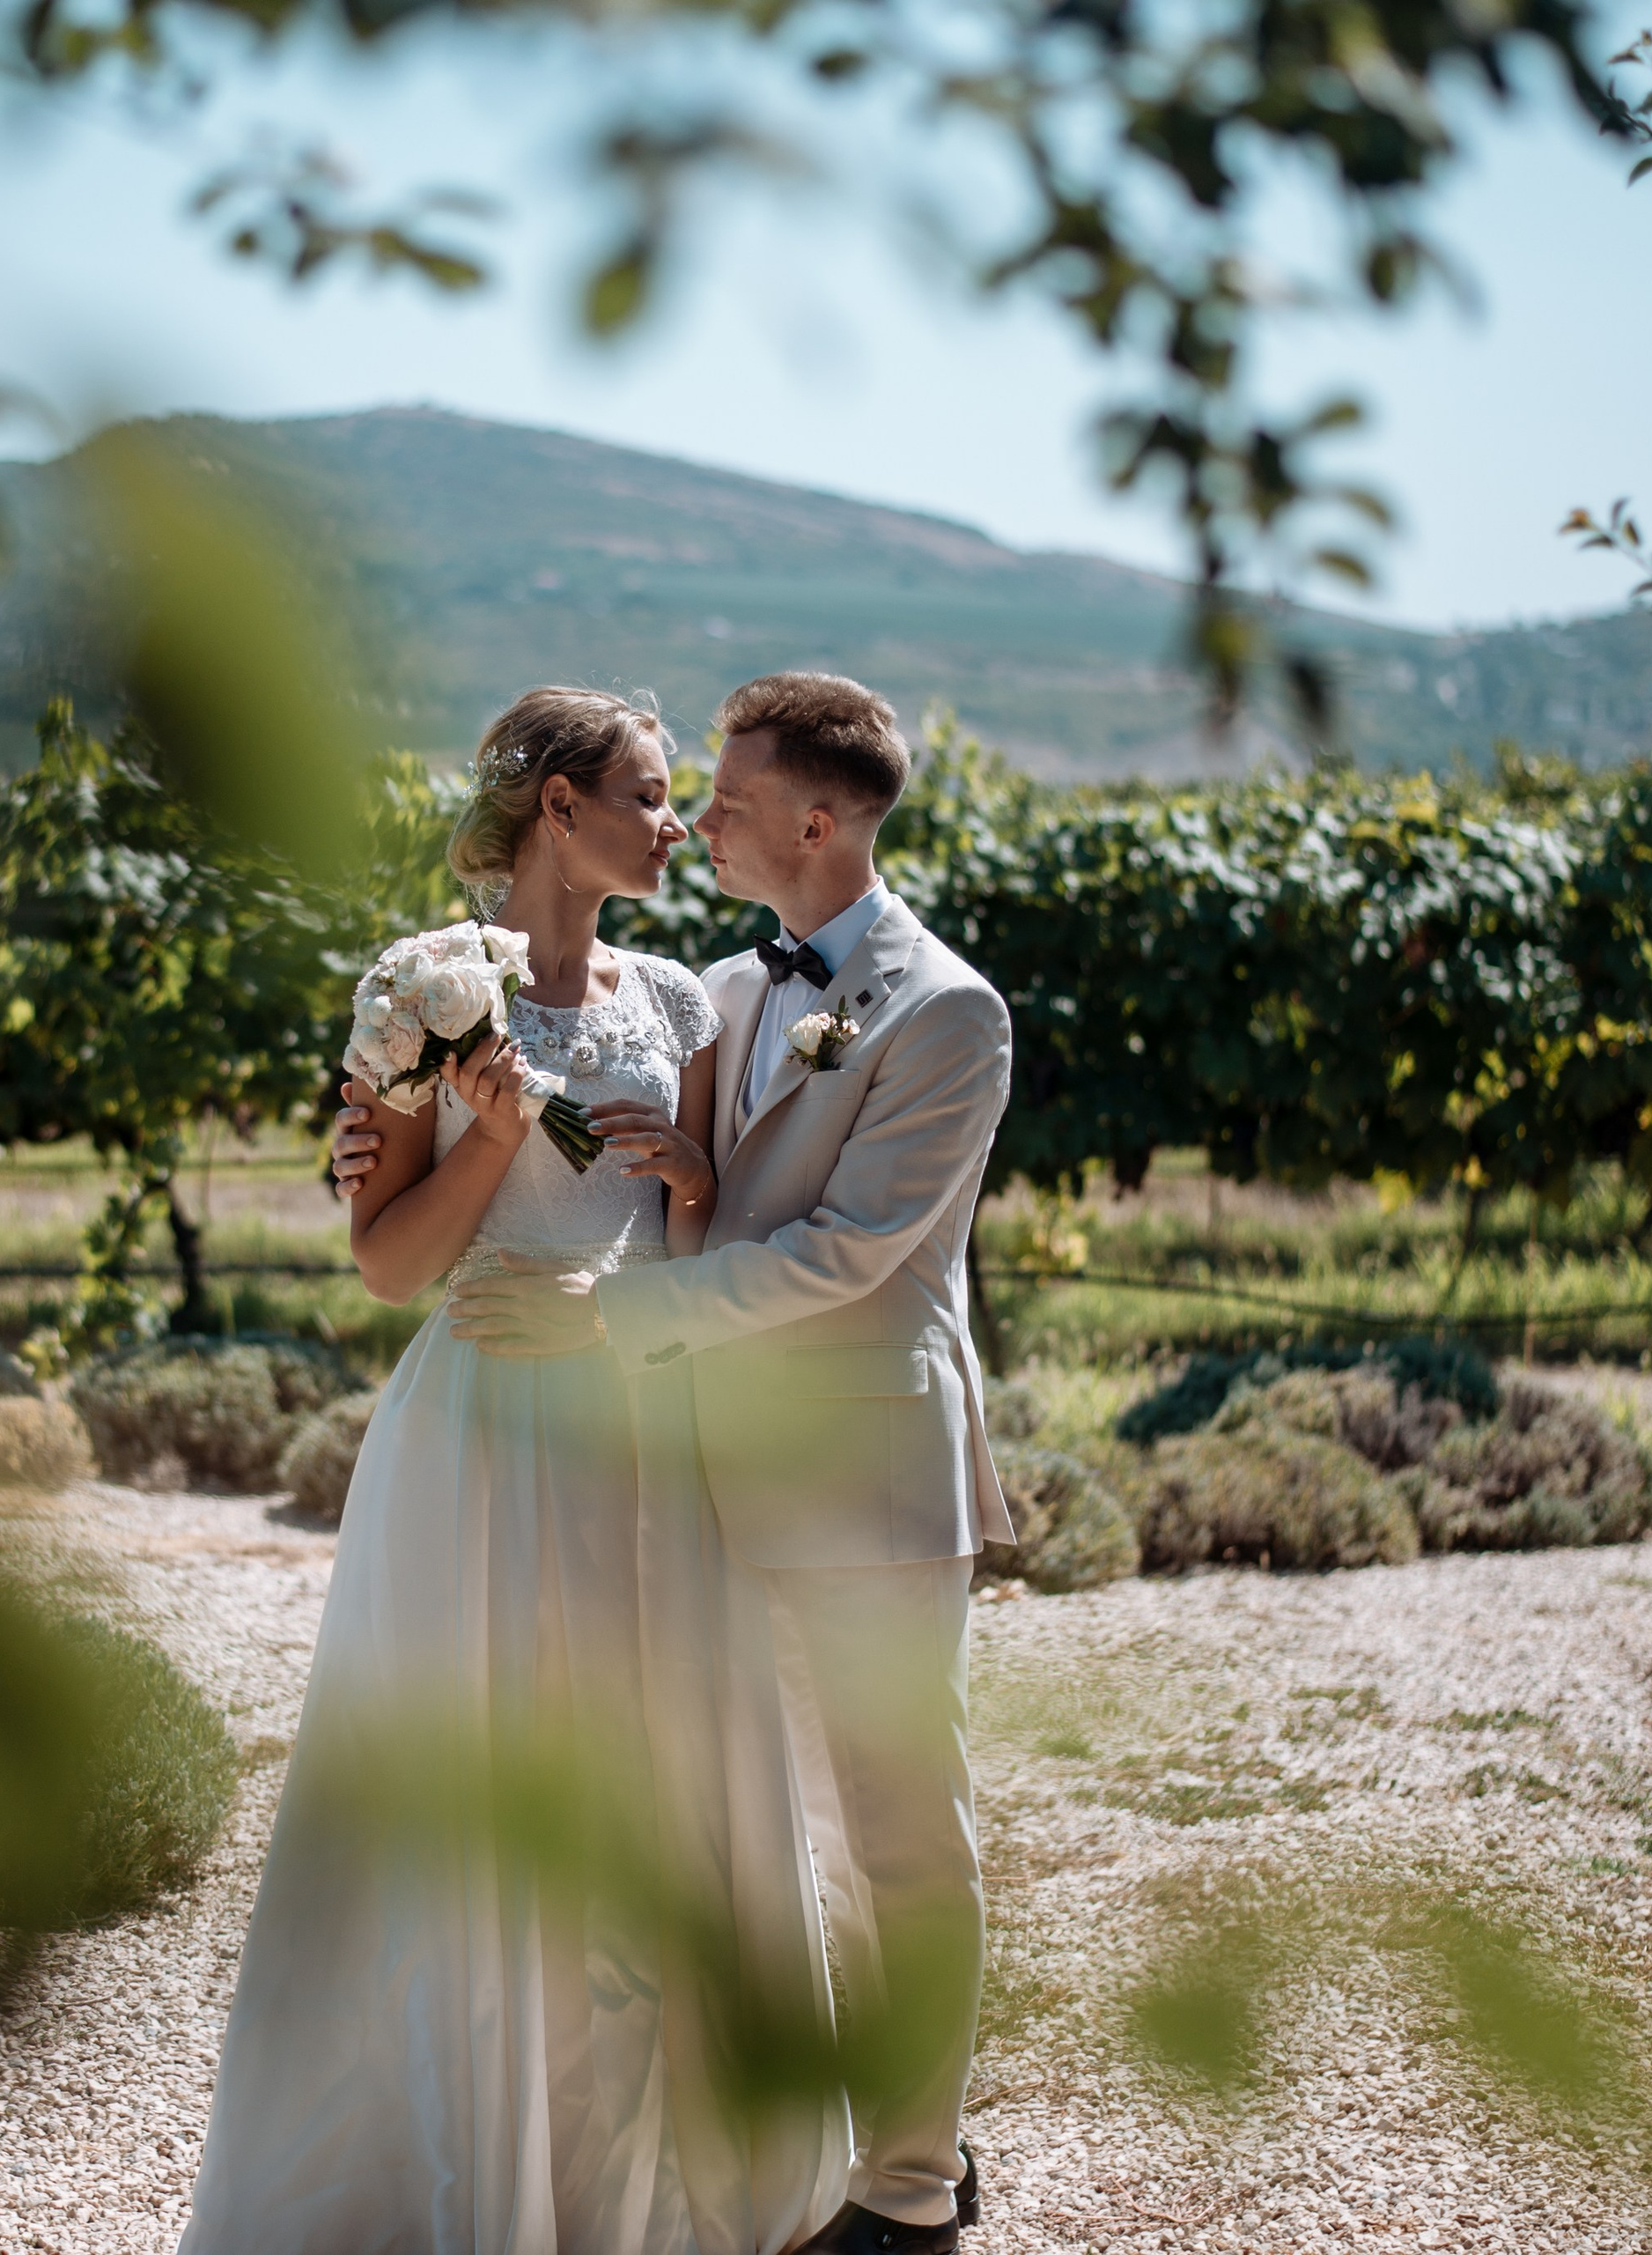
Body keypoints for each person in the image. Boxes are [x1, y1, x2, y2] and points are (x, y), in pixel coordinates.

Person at [334, 672, 1014, 2255]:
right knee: (713, 1823)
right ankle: (636, 2148)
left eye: (724, 795)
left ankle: (911, 2187)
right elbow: (657, 1196)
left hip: (854, 1472)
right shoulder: (714, 986)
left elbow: (848, 1253)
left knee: (900, 1837)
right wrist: (395, 1141)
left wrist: (610, 1313)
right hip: (670, 1465)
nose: (698, 819)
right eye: (672, 792)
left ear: (818, 822)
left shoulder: (945, 1009)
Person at [180, 684, 851, 2255]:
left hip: (641, 1431)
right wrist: (486, 1134)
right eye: (650, 793)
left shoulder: (677, 999)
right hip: (477, 1439)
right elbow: (387, 1266)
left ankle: (643, 2181)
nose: (676, 822)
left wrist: (695, 1180)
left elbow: (690, 1241)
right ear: (560, 806)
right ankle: (467, 2170)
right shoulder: (423, 991)